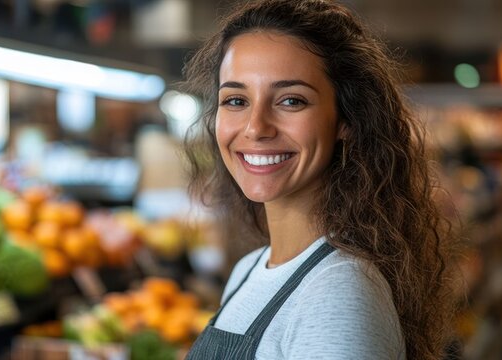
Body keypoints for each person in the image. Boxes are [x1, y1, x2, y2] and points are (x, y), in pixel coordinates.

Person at [181, 0, 454, 359]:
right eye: (235, 100)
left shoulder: (339, 291)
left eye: (292, 101)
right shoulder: (249, 269)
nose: (256, 127)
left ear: (346, 120)